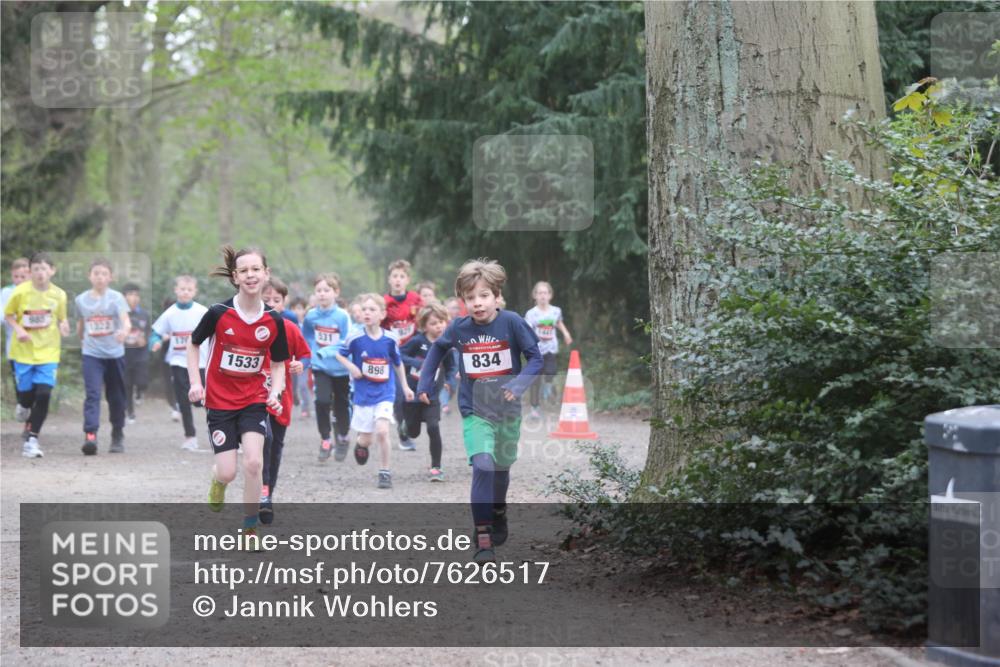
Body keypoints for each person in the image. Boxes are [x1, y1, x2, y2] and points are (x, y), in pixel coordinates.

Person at [416, 258, 542, 563]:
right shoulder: (460, 328)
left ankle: (498, 510)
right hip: (475, 410)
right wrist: (424, 381)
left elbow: (535, 358)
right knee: (483, 465)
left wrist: (519, 385)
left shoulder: (512, 322)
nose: (477, 303)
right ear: (463, 301)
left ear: (496, 296)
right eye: (470, 298)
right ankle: (483, 537)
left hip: (508, 412)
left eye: (483, 296)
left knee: (501, 469)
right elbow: (437, 349)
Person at [188, 245, 288, 546]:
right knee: (229, 472)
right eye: (244, 271)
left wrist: (275, 392)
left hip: (253, 400)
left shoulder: (274, 320)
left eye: (256, 269)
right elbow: (193, 345)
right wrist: (196, 382)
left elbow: (278, 363)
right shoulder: (219, 313)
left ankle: (249, 529)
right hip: (219, 401)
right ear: (235, 277)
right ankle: (218, 480)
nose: (250, 275)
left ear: (266, 274)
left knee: (255, 463)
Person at [335, 293, 413, 489]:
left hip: (385, 393)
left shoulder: (390, 339)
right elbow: (339, 354)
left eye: (372, 310)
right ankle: (361, 445)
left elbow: (398, 364)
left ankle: (384, 471)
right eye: (364, 310)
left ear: (382, 314)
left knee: (383, 431)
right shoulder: (355, 337)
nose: (367, 313)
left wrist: (405, 386)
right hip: (363, 395)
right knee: (366, 438)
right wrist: (351, 367)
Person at [4, 252, 71, 458]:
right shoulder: (20, 292)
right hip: (23, 352)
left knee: (43, 394)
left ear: (52, 271)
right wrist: (19, 329)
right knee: (26, 396)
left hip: (49, 353)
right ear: (30, 272)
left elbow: (61, 318)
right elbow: (8, 315)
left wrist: (64, 325)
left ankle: (32, 439)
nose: (40, 273)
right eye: (36, 269)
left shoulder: (59, 294)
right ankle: (23, 406)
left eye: (44, 269)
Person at [258, 278, 310, 525]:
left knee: (275, 446)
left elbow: (304, 354)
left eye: (275, 301)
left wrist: (301, 364)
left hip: (281, 397)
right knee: (263, 439)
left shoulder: (289, 328)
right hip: (253, 397)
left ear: (284, 302)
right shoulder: (248, 327)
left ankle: (267, 494)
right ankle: (262, 491)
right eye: (265, 300)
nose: (270, 304)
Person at [75, 259, 131, 455]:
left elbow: (126, 321)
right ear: (89, 276)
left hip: (115, 354)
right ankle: (90, 434)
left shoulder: (116, 298)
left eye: (103, 273)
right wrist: (83, 341)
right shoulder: (81, 299)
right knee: (92, 394)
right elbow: (81, 324)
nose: (99, 277)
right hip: (91, 354)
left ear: (110, 277)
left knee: (116, 396)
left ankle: (117, 433)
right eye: (96, 273)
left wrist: (124, 331)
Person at [150, 276, 209, 451]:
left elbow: (216, 329)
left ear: (194, 292)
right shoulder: (170, 313)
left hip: (201, 362)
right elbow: (156, 332)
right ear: (176, 290)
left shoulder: (202, 311)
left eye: (189, 289)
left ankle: (219, 434)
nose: (185, 292)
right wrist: (156, 341)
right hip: (178, 361)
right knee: (183, 400)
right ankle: (190, 436)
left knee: (206, 400)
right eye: (182, 289)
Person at [400, 302, 456, 482]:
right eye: (434, 323)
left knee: (433, 427)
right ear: (424, 326)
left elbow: (451, 366)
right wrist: (417, 363)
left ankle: (436, 467)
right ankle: (405, 427)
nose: (439, 326)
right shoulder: (417, 341)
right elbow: (399, 354)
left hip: (432, 395)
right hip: (413, 395)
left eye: (441, 322)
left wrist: (449, 380)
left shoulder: (446, 344)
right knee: (413, 432)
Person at [302, 273, 352, 462]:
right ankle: (325, 439)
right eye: (318, 291)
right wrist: (311, 353)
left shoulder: (342, 316)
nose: (322, 294)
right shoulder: (311, 315)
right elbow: (306, 336)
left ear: (336, 293)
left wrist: (328, 351)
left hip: (341, 368)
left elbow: (346, 340)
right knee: (321, 401)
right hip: (320, 367)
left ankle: (343, 437)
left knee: (341, 404)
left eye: (326, 290)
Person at [382, 259, 423, 450]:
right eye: (394, 276)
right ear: (389, 279)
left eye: (402, 276)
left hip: (413, 354)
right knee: (398, 396)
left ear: (407, 280)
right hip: (393, 355)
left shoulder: (415, 299)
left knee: (412, 396)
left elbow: (424, 321)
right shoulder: (384, 302)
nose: (398, 280)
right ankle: (402, 434)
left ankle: (410, 424)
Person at [524, 281, 573, 417]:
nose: (543, 296)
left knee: (551, 371)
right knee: (535, 380)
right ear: (535, 296)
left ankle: (548, 386)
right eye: (540, 293)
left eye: (545, 293)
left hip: (550, 348)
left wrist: (566, 333)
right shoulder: (531, 314)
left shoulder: (555, 311)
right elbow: (526, 330)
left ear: (550, 295)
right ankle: (535, 409)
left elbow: (558, 322)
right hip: (535, 351)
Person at [122, 283, 151, 424]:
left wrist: (144, 340)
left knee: (142, 381)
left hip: (140, 354)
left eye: (136, 295)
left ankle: (140, 392)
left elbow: (149, 332)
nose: (134, 298)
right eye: (130, 294)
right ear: (124, 297)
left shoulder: (144, 314)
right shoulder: (120, 314)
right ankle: (130, 412)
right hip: (124, 354)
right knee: (126, 384)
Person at [1, 257, 30, 394]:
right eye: (15, 276)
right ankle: (23, 410)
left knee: (34, 384)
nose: (18, 280)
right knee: (20, 384)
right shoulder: (7, 292)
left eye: (22, 277)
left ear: (30, 275)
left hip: (35, 347)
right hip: (13, 347)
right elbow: (2, 316)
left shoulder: (38, 292)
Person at [288, 296, 312, 418]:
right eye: (293, 309)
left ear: (304, 310)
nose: (296, 311)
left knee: (303, 384)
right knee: (292, 385)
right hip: (289, 360)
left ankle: (305, 408)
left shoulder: (307, 325)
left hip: (303, 360)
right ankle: (294, 397)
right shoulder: (288, 324)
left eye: (298, 308)